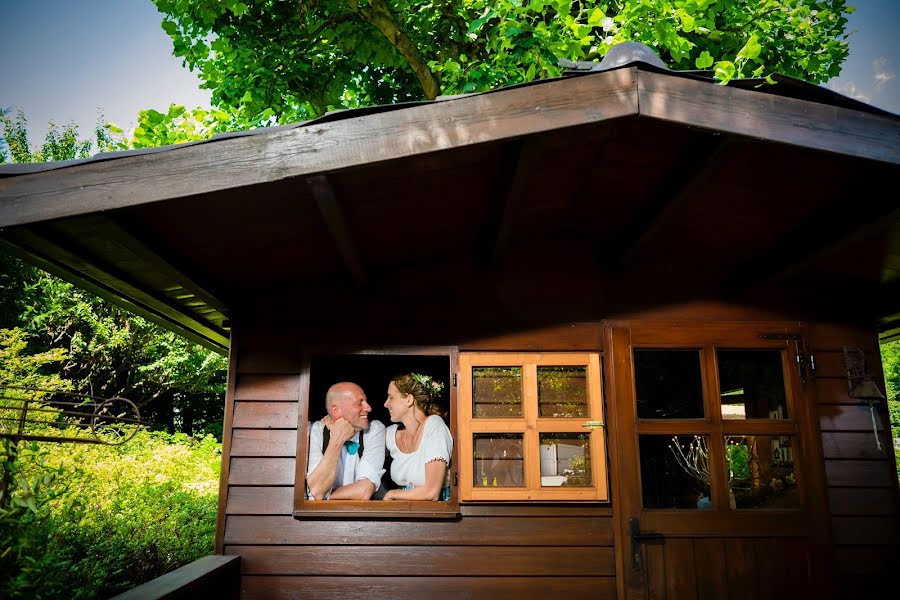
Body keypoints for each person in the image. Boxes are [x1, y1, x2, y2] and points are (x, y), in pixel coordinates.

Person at [306, 381, 385, 500]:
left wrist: (326, 495)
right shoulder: (316, 431)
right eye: (360, 403)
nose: (368, 408)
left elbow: (364, 491)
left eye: (366, 402)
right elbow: (317, 489)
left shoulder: (374, 429)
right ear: (336, 410)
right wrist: (337, 439)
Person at [382, 373, 452, 501]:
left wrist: (393, 494)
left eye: (390, 397)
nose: (386, 404)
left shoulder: (434, 426)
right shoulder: (391, 434)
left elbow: (431, 492)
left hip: (436, 512)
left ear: (409, 400)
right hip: (404, 510)